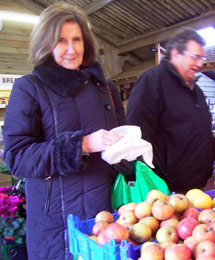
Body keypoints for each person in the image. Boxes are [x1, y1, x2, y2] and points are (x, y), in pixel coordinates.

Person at [3, 3, 126, 260]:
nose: (72, 50)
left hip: (105, 216)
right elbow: (16, 157)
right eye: (61, 41)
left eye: (77, 39)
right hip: (55, 226)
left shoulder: (106, 89)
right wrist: (81, 145)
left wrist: (128, 149)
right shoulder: (29, 88)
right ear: (45, 44)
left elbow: (117, 148)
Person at [126, 28, 215, 194]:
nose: (200, 63)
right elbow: (137, 130)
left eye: (202, 58)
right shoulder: (153, 79)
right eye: (195, 57)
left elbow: (203, 130)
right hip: (167, 187)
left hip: (196, 185)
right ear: (176, 54)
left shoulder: (195, 90)